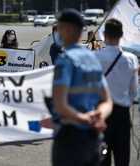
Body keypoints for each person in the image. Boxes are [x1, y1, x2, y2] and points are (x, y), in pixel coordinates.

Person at [52, 9, 113, 166]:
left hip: (70, 137)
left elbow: (60, 104)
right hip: (93, 137)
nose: (57, 31)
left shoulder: (65, 60)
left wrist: (84, 119)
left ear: (69, 29)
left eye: (59, 27)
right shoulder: (93, 59)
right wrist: (98, 116)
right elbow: (107, 100)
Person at [96, 19, 139, 166]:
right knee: (122, 158)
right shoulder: (132, 59)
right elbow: (134, 91)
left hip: (102, 115)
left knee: (103, 158)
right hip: (122, 116)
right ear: (121, 35)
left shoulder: (96, 57)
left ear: (104, 35)